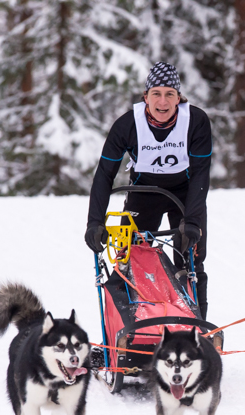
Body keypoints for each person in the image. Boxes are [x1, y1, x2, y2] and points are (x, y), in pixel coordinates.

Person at [85, 62, 214, 316]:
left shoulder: (196, 121)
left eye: (169, 94)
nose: (163, 102)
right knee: (130, 259)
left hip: (186, 194)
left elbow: (201, 174)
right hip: (144, 193)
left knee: (191, 260)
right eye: (156, 93)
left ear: (179, 98)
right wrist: (94, 222)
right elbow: (104, 175)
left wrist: (193, 220)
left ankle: (198, 334)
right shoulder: (126, 125)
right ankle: (127, 331)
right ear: (146, 97)